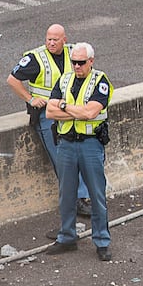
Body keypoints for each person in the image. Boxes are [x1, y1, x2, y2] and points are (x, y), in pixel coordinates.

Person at [7, 23, 89, 213]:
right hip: (46, 116)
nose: (51, 43)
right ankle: (75, 200)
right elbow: (12, 80)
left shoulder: (73, 53)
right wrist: (30, 99)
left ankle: (82, 196)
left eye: (55, 40)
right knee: (62, 158)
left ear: (64, 40)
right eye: (48, 39)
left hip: (69, 111)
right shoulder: (36, 58)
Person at [45, 43, 114, 261]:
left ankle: (102, 241)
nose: (76, 66)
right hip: (66, 143)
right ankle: (67, 237)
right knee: (67, 194)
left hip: (90, 144)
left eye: (81, 63)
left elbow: (89, 113)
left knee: (96, 194)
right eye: (74, 62)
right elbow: (49, 111)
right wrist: (75, 111)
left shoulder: (100, 81)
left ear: (91, 61)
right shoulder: (64, 80)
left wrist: (64, 107)